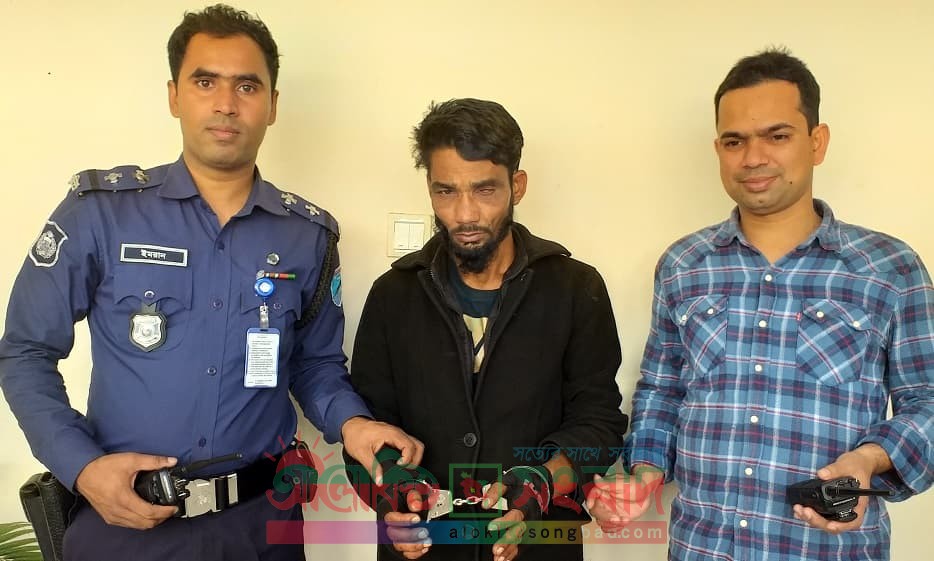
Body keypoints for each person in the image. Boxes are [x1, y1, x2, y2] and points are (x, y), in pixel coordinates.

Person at [0, 4, 422, 561]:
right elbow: (25, 352)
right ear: (174, 95)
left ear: (272, 105)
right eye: (205, 82)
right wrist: (81, 467)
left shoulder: (308, 236)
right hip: (126, 526)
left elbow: (314, 364)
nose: (226, 104)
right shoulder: (99, 213)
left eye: (247, 86)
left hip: (263, 527)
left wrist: (354, 424)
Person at [587, 48, 934, 560]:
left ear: (817, 142)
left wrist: (869, 459)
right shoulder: (684, 265)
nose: (752, 158)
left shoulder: (889, 268)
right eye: (735, 141)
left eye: (777, 136)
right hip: (703, 548)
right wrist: (644, 474)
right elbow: (662, 390)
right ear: (718, 149)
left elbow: (927, 401)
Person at [346, 98, 627, 561]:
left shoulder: (576, 288)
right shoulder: (393, 294)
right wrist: (391, 496)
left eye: (484, 190)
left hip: (540, 548)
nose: (464, 214)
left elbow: (600, 424)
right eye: (445, 191)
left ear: (517, 186)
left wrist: (540, 484)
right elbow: (367, 426)